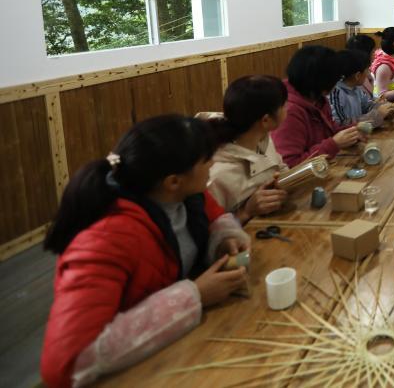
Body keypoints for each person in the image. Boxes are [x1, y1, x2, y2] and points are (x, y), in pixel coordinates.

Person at [41, 115, 249, 388]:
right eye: (207, 159)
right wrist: (195, 295)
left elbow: (216, 218)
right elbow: (69, 363)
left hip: (186, 350)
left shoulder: (188, 195)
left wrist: (225, 239)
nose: (213, 163)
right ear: (173, 181)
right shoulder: (107, 238)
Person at [204, 75, 290, 223]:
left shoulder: (263, 137)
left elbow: (280, 168)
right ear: (266, 120)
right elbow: (209, 232)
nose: (287, 109)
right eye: (283, 106)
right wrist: (246, 211)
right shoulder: (218, 175)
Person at [271, 45, 363, 167]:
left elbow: (329, 130)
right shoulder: (289, 112)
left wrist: (352, 132)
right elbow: (290, 166)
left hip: (323, 169)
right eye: (336, 79)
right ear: (323, 81)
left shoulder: (317, 98)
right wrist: (334, 144)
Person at [328, 49, 394, 129]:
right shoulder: (335, 93)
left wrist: (385, 107)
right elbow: (341, 124)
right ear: (357, 75)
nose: (368, 72)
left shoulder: (356, 88)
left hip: (361, 132)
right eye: (367, 70)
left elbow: (368, 106)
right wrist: (378, 115)